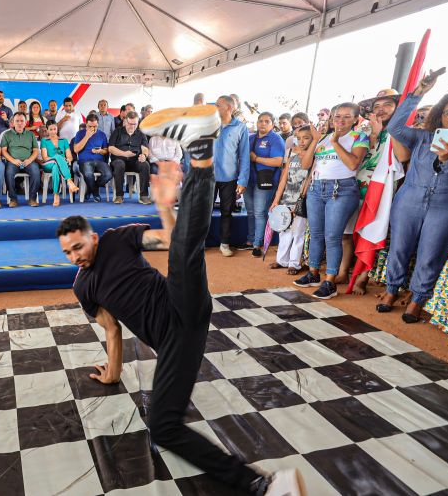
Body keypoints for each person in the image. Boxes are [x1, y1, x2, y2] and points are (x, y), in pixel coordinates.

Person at [59, 104, 303, 496]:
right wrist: (113, 373)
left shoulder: (120, 238)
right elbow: (111, 329)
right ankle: (263, 485)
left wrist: (163, 206)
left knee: (184, 251)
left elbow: (174, 241)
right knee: (164, 427)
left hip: (181, 299)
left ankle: (200, 152)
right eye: (68, 253)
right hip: (174, 341)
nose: (75, 256)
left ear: (94, 237)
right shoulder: (81, 286)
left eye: (78, 246)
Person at [376, 78, 448, 323]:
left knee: (431, 252)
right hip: (410, 198)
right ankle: (391, 290)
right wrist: (417, 94)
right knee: (399, 246)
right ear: (441, 113)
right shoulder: (425, 136)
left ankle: (418, 297)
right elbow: (395, 127)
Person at [294, 102, 369, 299]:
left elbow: (353, 164)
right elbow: (305, 164)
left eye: (346, 117)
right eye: (337, 117)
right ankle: (313, 273)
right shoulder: (324, 138)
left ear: (355, 119)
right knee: (316, 234)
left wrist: (335, 142)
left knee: (333, 236)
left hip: (342, 189)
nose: (340, 121)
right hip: (317, 188)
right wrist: (318, 141)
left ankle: (330, 282)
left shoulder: (359, 137)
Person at [344, 89, 410, 294]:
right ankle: (342, 270)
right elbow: (358, 157)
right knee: (347, 231)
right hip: (355, 185)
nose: (381, 110)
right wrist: (373, 134)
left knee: (371, 231)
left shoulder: (404, 130)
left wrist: (389, 131)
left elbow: (404, 157)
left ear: (397, 108)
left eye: (387, 105)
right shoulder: (363, 129)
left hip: (380, 189)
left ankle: (362, 276)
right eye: (377, 106)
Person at [269, 125, 315, 274]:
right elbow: (284, 180)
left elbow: (308, 180)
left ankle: (294, 263)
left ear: (313, 139)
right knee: (284, 230)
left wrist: (299, 202)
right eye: (299, 138)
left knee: (298, 232)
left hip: (301, 202)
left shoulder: (313, 158)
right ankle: (282, 260)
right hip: (286, 200)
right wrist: (276, 200)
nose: (302, 142)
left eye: (306, 138)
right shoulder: (292, 157)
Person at [213, 95, 250, 257]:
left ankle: (224, 244)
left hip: (229, 178)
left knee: (226, 212)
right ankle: (198, 243)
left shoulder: (240, 127)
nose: (215, 108)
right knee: (204, 211)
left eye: (218, 105)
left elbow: (244, 155)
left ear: (228, 107)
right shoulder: (210, 124)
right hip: (208, 177)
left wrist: (242, 180)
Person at [243, 112, 285, 256]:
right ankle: (250, 240)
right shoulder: (251, 138)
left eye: (267, 121)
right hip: (249, 179)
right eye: (260, 121)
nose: (263, 123)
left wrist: (257, 159)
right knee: (250, 212)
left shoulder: (275, 139)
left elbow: (279, 161)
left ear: (273, 124)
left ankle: (257, 244)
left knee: (260, 212)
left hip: (267, 181)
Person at [108, 111, 151, 204]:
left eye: (135, 124)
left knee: (145, 164)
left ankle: (144, 196)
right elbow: (110, 148)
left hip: (135, 161)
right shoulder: (117, 131)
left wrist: (144, 155)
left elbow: (145, 148)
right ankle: (119, 196)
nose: (132, 127)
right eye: (130, 124)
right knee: (119, 164)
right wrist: (124, 154)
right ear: (126, 121)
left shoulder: (141, 134)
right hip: (119, 160)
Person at [1, 111, 40, 207]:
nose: (19, 123)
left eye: (21, 121)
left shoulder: (30, 135)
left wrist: (29, 160)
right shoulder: (7, 134)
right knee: (9, 172)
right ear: (13, 122)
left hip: (28, 161)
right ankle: (13, 199)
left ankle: (32, 198)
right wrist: (13, 160)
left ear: (25, 122)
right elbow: (4, 151)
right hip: (13, 161)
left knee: (36, 171)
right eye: (17, 121)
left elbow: (35, 150)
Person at [72, 114, 112, 202]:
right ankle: (95, 193)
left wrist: (100, 151)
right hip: (85, 161)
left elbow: (106, 150)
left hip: (99, 160)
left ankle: (90, 189)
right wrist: (87, 136)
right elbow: (76, 149)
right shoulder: (80, 134)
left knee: (108, 175)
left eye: (95, 126)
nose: (93, 128)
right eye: (90, 126)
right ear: (86, 124)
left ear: (98, 124)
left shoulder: (102, 134)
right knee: (88, 174)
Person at [41, 121, 80, 206]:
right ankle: (69, 181)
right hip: (48, 164)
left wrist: (64, 160)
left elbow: (70, 157)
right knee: (58, 157)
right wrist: (58, 158)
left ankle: (56, 195)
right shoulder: (44, 141)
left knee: (56, 167)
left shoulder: (64, 140)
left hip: (61, 165)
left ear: (57, 129)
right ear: (47, 130)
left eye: (54, 129)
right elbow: (45, 158)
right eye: (50, 129)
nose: (53, 131)